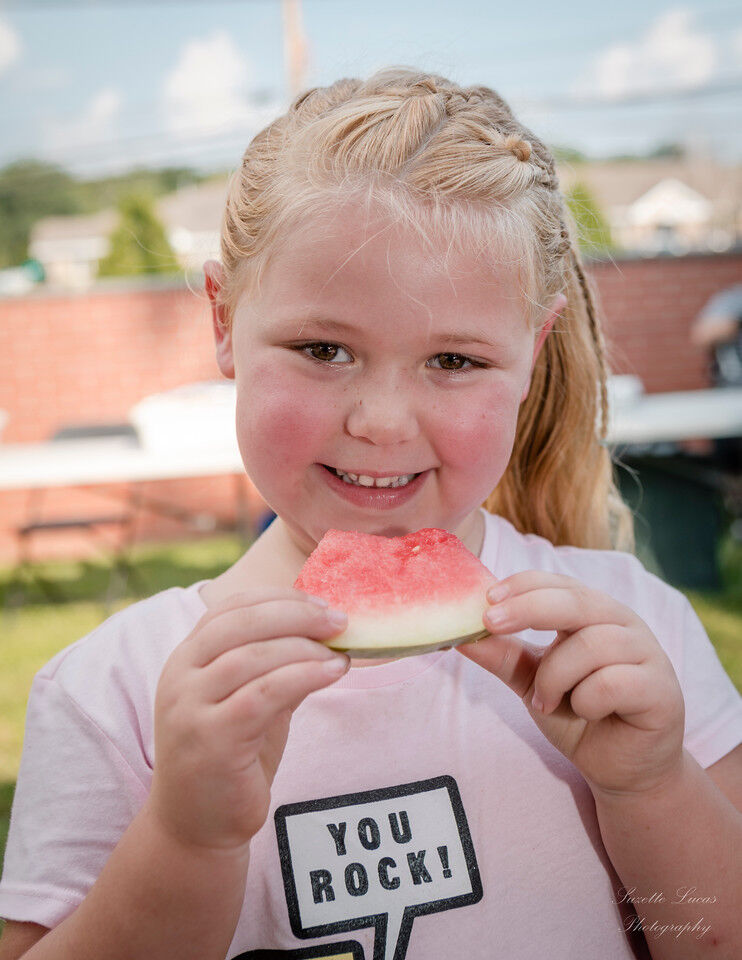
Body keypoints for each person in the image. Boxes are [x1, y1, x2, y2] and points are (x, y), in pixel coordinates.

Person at [1, 68, 741, 960]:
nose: (381, 422)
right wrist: (185, 840)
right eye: (324, 348)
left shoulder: (632, 635)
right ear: (225, 319)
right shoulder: (113, 691)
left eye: (455, 361)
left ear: (533, 353)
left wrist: (651, 787)